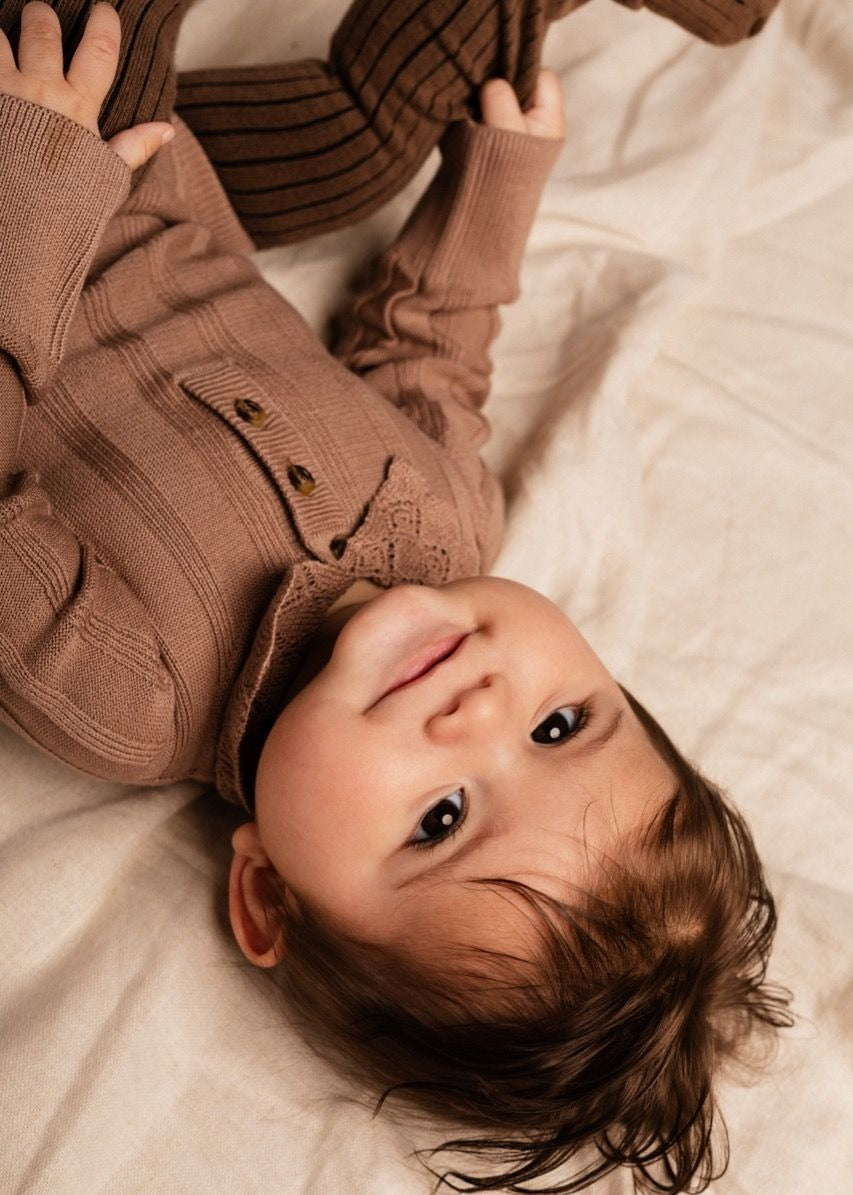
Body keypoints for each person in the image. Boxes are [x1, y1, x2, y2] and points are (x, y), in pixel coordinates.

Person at [0, 2, 791, 1193]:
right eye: (560, 724)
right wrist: (497, 187)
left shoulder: (130, 694)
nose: (477, 708)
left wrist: (36, 186)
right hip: (169, 179)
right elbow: (429, 351)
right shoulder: (454, 526)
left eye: (439, 820)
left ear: (268, 890)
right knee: (366, 138)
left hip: (31, 197)